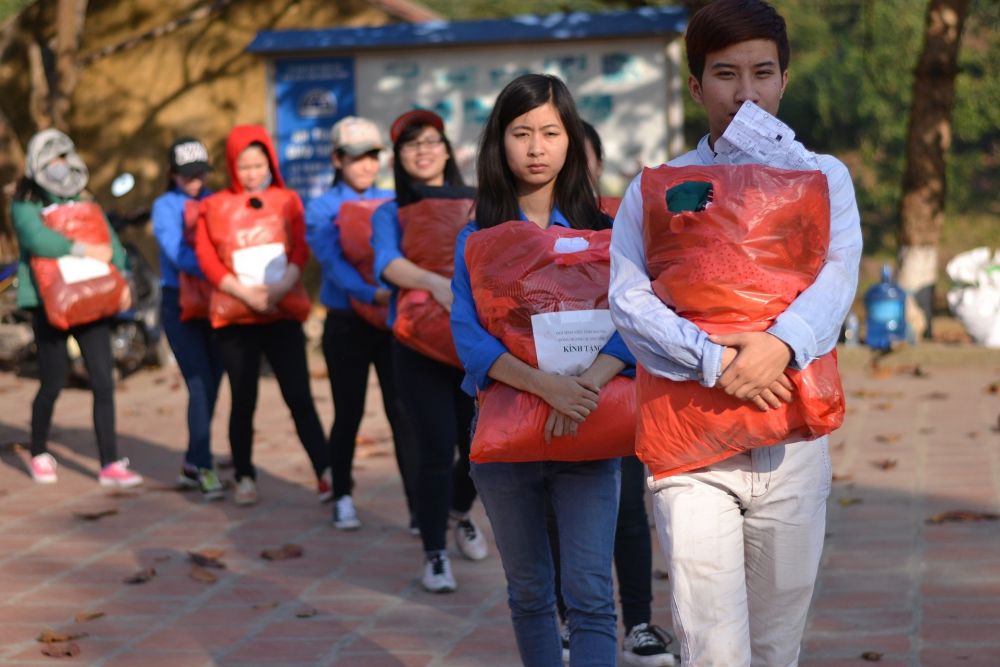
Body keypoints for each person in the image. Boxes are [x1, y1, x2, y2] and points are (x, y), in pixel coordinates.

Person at [608, 1, 862, 664]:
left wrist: (779, 345)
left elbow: (837, 280)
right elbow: (628, 298)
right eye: (725, 74)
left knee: (778, 643)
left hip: (792, 439)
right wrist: (716, 360)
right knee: (710, 640)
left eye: (762, 72)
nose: (745, 93)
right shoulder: (658, 187)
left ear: (785, 79)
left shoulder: (824, 176)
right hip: (690, 444)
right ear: (696, 86)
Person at [450, 73, 631, 666]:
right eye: (520, 132)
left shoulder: (608, 231)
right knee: (530, 594)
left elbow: (636, 322)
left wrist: (584, 387)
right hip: (507, 438)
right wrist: (543, 387)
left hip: (590, 427)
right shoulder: (477, 238)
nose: (535, 147)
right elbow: (467, 334)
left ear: (571, 140)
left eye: (550, 132)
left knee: (591, 595)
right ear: (498, 142)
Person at [547, 121, 675, 666]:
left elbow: (647, 303)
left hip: (615, 387)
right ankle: (569, 622)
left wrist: (599, 372)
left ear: (596, 165)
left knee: (626, 507)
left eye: (582, 157)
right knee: (557, 509)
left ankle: (640, 623)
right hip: (546, 395)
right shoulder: (523, 234)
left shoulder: (621, 225)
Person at [371, 109, 488, 593]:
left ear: (446, 149)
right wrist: (435, 283)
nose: (423, 151)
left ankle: (457, 512)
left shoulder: (479, 203)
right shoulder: (388, 211)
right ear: (398, 157)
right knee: (436, 449)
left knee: (483, 449)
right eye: (411, 144)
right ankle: (434, 553)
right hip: (416, 344)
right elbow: (388, 263)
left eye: (431, 141)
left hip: (475, 345)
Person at [193, 124, 330, 506]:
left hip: (282, 314)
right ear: (233, 166)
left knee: (299, 397)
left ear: (270, 162)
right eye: (245, 166)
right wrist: (244, 294)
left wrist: (278, 289)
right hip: (237, 321)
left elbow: (300, 249)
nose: (252, 173)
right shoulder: (214, 205)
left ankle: (325, 471)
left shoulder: (288, 200)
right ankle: (244, 475)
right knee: (243, 400)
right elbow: (206, 258)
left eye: (259, 164)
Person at [304, 116, 419, 529]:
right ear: (337, 159)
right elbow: (332, 265)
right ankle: (343, 496)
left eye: (372, 156)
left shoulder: (394, 201)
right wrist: (375, 293)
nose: (366, 165)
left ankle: (416, 508)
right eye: (356, 157)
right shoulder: (320, 208)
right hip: (347, 324)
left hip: (390, 324)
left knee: (402, 413)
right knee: (348, 411)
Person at [11, 128, 142, 488]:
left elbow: (109, 240)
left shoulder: (84, 196)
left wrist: (122, 277)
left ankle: (109, 462)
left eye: (63, 157)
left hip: (92, 298)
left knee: (103, 380)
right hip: (48, 302)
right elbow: (37, 238)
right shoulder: (25, 202)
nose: (58, 165)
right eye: (50, 159)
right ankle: (39, 451)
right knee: (53, 380)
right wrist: (83, 250)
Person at [151, 137, 225, 500]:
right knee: (199, 383)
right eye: (187, 176)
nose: (195, 182)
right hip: (179, 302)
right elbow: (178, 253)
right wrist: (222, 269)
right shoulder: (165, 206)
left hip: (216, 300)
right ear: (172, 175)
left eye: (200, 174)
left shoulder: (216, 201)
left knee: (214, 383)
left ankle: (192, 462)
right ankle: (206, 467)